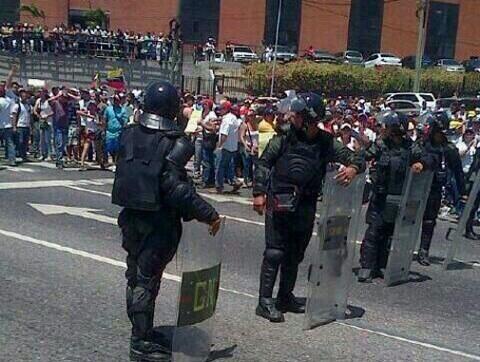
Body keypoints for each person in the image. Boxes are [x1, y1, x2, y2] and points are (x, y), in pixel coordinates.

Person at [112, 80, 221, 361]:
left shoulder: (128, 133)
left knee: (136, 276)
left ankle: (143, 331)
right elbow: (174, 187)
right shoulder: (177, 142)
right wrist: (207, 213)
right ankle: (139, 341)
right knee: (145, 281)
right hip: (157, 222)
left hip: (131, 217)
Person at [252, 92, 364, 322]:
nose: (292, 117)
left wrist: (353, 169)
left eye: (297, 114)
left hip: (306, 205)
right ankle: (264, 301)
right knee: (275, 252)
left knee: (294, 255)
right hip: (279, 201)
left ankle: (285, 297)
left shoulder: (326, 142)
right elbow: (264, 163)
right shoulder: (283, 138)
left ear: (308, 118)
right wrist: (259, 193)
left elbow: (357, 159)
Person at [358, 111, 431, 283]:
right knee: (374, 231)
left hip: (400, 197)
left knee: (390, 233)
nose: (387, 130)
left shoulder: (410, 147)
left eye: (390, 127)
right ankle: (366, 267)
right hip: (380, 196)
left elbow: (429, 158)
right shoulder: (381, 144)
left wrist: (422, 163)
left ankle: (382, 265)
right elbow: (362, 156)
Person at [418, 112, 466, 265]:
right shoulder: (422, 145)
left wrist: (463, 192)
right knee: (408, 219)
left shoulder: (449, 149)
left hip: (435, 189)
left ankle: (423, 250)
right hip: (417, 188)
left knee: (429, 221)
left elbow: (458, 172)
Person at [215, 100, 242, 194]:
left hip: (225, 147)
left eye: (221, 109)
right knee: (229, 166)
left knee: (220, 167)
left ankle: (219, 186)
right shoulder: (233, 117)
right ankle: (235, 182)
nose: (219, 111)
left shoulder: (226, 120)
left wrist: (219, 145)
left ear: (225, 109)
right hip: (233, 147)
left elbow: (224, 134)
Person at [11, 88, 32, 162]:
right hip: (20, 126)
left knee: (25, 143)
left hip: (26, 126)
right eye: (23, 96)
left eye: (26, 96)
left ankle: (24, 156)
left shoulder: (28, 106)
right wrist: (14, 126)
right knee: (19, 141)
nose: (25, 97)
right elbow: (14, 116)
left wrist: (30, 127)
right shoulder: (17, 105)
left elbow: (29, 116)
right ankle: (17, 154)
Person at [0, 85, 16, 166]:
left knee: (9, 144)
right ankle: (12, 160)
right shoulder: (10, 100)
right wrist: (14, 126)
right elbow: (13, 114)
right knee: (10, 143)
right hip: (8, 125)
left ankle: (12, 159)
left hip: (1, 125)